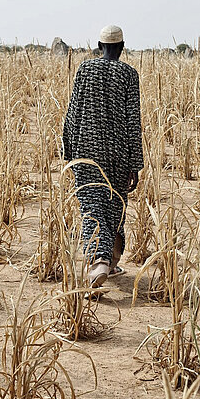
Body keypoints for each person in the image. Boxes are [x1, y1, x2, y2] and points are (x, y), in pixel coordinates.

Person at [62, 25, 144, 289]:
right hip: (119, 153)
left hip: (86, 149)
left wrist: (68, 150)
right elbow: (133, 122)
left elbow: (73, 111)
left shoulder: (85, 70)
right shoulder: (129, 74)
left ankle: (100, 260)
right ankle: (109, 259)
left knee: (90, 204)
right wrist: (135, 164)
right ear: (121, 48)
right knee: (114, 204)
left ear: (100, 47)